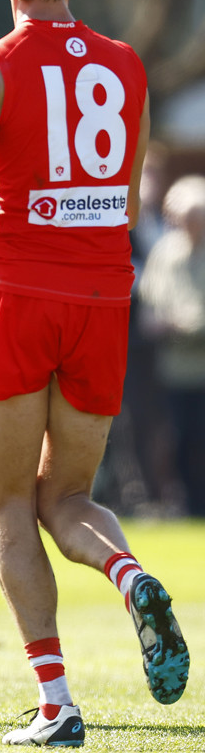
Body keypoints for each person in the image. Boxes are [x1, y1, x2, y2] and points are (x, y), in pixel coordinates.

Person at [0, 0, 189, 747]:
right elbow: (127, 185)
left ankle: (56, 701)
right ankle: (131, 573)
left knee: (7, 506)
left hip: (20, 296)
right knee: (65, 494)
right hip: (108, 299)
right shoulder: (129, 64)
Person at [139, 173, 205, 516]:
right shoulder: (164, 252)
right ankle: (181, 503)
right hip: (173, 368)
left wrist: (191, 324)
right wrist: (160, 324)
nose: (188, 226)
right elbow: (149, 305)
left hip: (202, 365)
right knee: (176, 439)